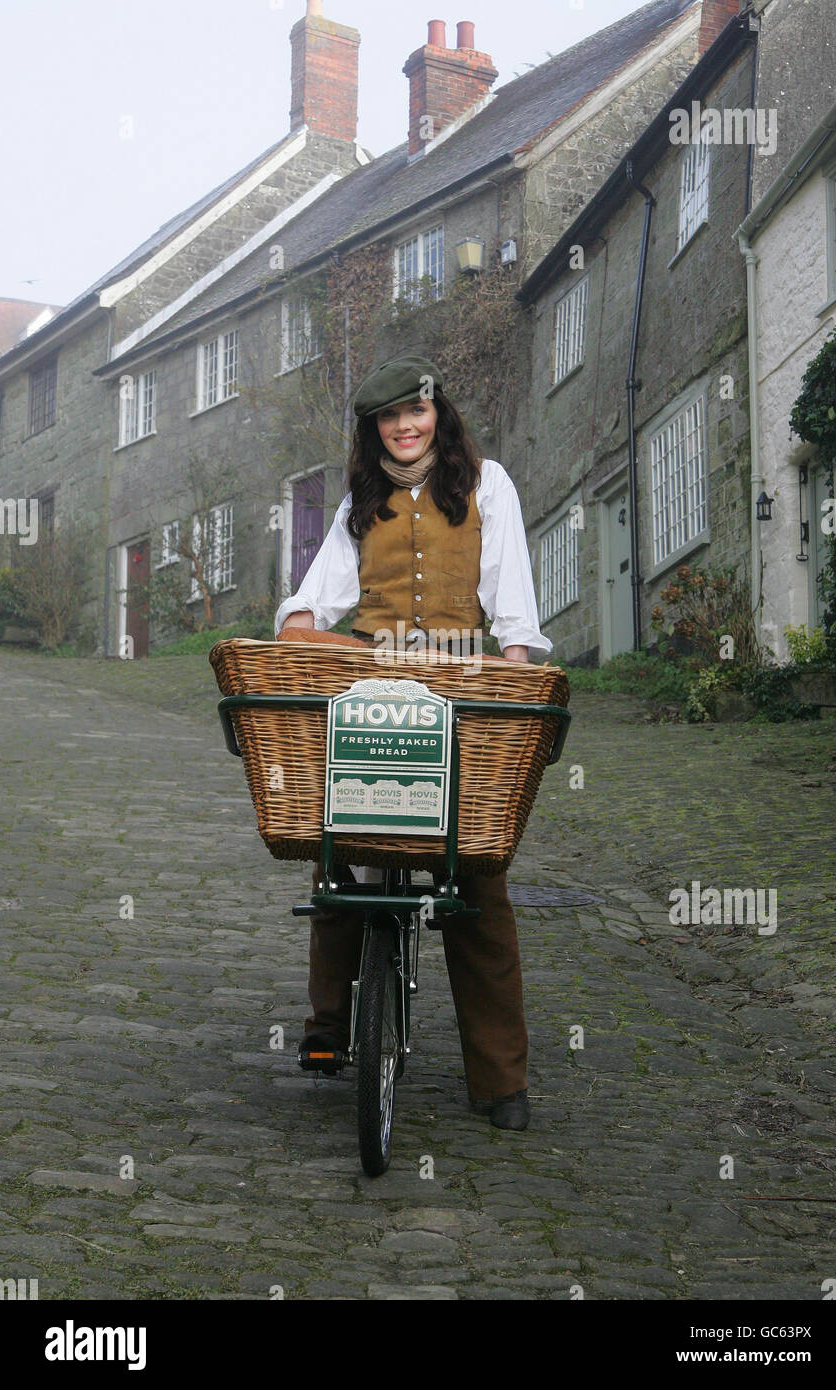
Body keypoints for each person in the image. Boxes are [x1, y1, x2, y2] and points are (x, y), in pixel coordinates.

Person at [274, 354, 551, 1130]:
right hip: (372, 677)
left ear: (439, 413)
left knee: (477, 873)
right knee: (341, 837)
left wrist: (516, 665)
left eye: (416, 412)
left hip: (459, 678)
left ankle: (500, 1080)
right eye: (387, 419)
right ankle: (328, 1026)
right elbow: (319, 591)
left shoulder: (486, 485)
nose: (404, 427)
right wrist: (300, 621)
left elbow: (512, 596)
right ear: (373, 430)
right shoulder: (360, 502)